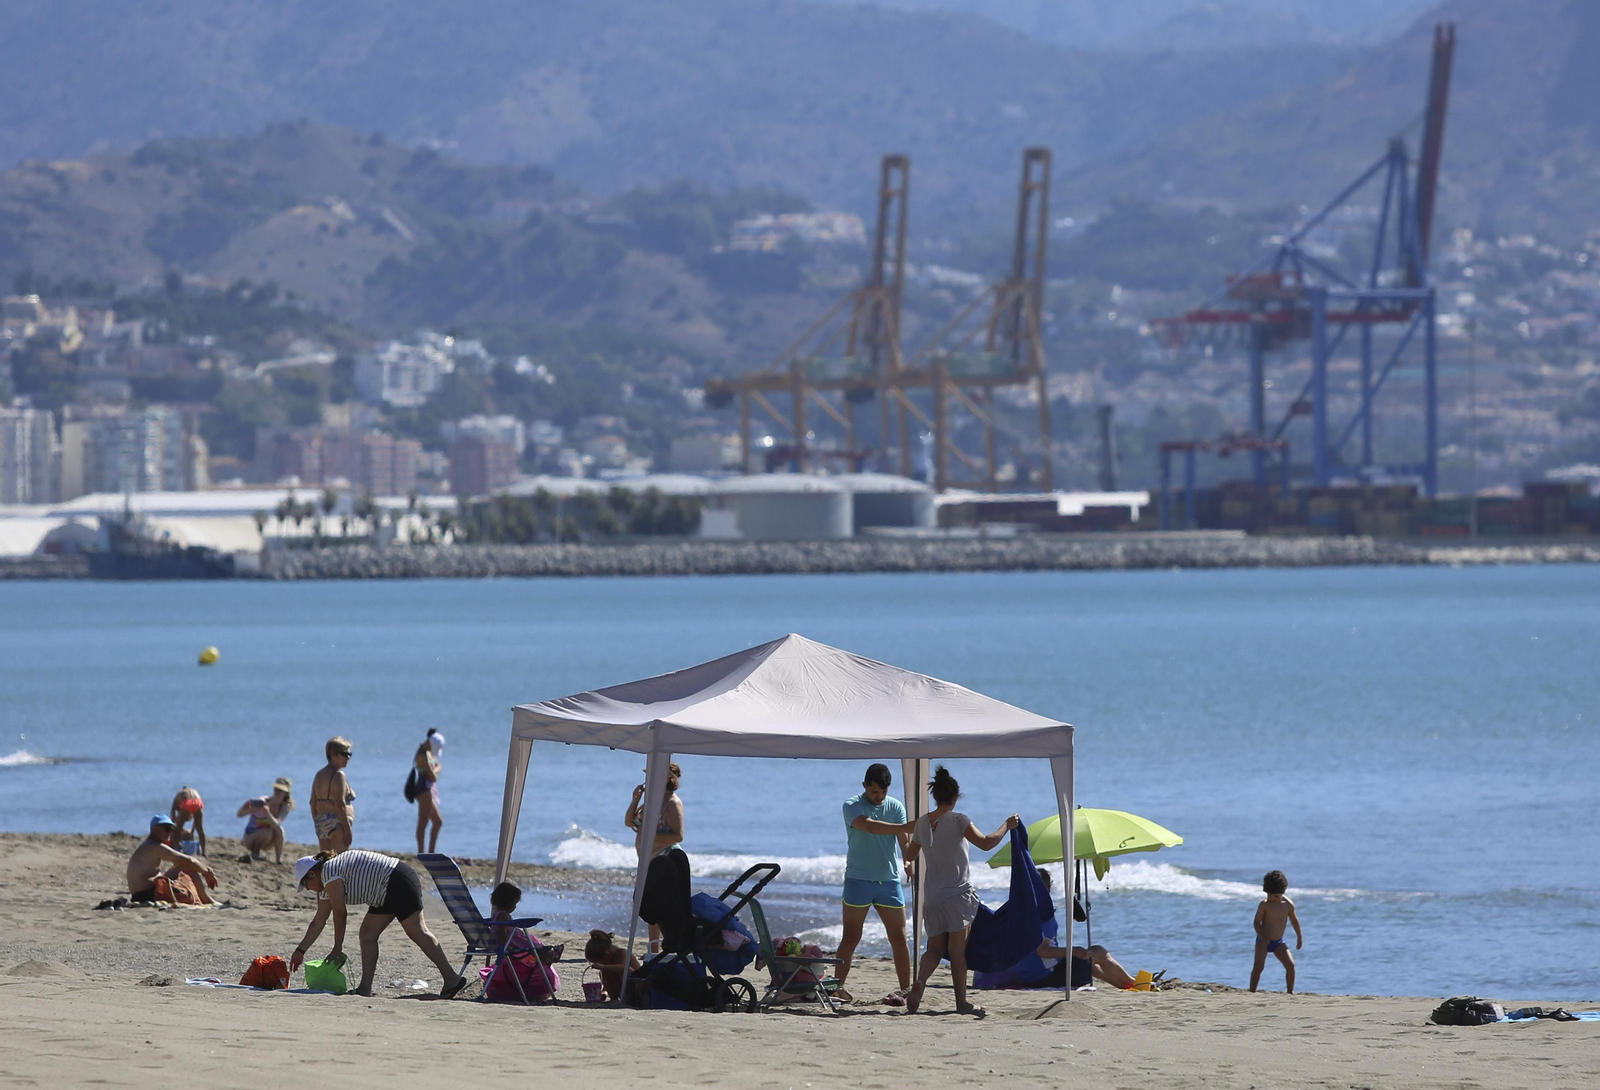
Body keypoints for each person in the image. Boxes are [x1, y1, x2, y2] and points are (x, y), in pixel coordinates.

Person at [899, 766, 1018, 1016]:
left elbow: (910, 855)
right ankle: (961, 1003)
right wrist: (1006, 826)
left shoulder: (923, 823)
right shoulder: (959, 820)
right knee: (956, 952)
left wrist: (914, 835)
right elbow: (986, 843)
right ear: (955, 797)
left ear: (935, 796)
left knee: (934, 950)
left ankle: (919, 982)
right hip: (957, 895)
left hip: (932, 898)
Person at [290, 849, 466, 999]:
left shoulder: (329, 871)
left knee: (416, 930)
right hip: (382, 892)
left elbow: (340, 913)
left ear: (312, 874)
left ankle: (452, 978)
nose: (308, 889)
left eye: (306, 884)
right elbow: (319, 920)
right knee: (367, 934)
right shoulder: (325, 887)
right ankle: (365, 988)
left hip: (397, 879)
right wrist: (300, 951)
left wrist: (337, 947)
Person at [974, 869, 1138, 991]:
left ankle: (1128, 986)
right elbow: (1043, 951)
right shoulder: (1042, 914)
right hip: (1046, 976)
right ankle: (1134, 982)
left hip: (1028, 975)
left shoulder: (1016, 910)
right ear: (1047, 887)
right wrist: (1074, 951)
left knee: (1089, 964)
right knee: (1098, 952)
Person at [835, 762, 914, 1005]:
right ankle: (837, 987)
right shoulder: (852, 805)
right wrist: (904, 826)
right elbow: (869, 826)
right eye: (874, 792)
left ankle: (906, 989)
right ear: (864, 786)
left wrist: (909, 860)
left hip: (888, 880)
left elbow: (904, 841)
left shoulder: (896, 806)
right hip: (858, 879)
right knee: (851, 936)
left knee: (899, 937)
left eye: (883, 792)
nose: (879, 797)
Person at [624, 761, 685, 953]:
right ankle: (655, 948)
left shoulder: (672, 802)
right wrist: (635, 800)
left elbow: (678, 835)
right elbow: (629, 822)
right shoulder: (651, 800)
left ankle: (662, 948)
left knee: (660, 905)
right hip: (648, 859)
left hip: (665, 858)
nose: (648, 778)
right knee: (651, 905)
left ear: (666, 778)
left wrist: (649, 834)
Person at [485, 881, 560, 1001]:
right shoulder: (503, 915)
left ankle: (548, 955)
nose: (515, 907)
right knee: (534, 948)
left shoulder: (496, 914)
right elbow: (502, 933)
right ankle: (549, 956)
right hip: (512, 942)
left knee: (534, 947)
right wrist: (506, 946)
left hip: (511, 941)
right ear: (509, 903)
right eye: (515, 903)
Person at [127, 814, 218, 905]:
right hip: (145, 894)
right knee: (186, 865)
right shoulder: (154, 846)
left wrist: (204, 870)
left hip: (144, 892)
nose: (170, 833)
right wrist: (207, 872)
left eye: (172, 829)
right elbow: (189, 860)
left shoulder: (150, 844)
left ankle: (206, 899)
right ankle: (208, 900)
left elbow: (181, 861)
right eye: (167, 829)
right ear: (155, 830)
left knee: (183, 866)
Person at [1250, 869, 1302, 993]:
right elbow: (1256, 922)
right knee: (1258, 967)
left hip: (1278, 942)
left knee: (1290, 966)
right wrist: (1262, 937)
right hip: (1263, 941)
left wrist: (1299, 936)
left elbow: (1294, 920)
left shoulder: (1288, 905)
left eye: (1276, 896)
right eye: (1269, 896)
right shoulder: (1264, 905)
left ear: (1283, 892)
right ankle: (1252, 991)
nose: (1272, 899)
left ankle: (1290, 992)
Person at [311, 736, 356, 854]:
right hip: (336, 822)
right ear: (333, 754)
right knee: (341, 860)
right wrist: (347, 829)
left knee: (326, 860)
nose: (348, 758)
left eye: (349, 754)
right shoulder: (338, 775)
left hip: (321, 820)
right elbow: (340, 804)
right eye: (344, 754)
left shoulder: (319, 775)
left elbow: (312, 802)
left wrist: (318, 822)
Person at [236, 778, 294, 863]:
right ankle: (255, 853)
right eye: (276, 789)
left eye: (280, 790)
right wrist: (246, 807)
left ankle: (278, 858)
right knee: (267, 832)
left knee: (279, 830)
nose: (277, 792)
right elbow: (239, 814)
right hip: (251, 836)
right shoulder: (265, 800)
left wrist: (267, 813)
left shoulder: (284, 807)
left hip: (268, 840)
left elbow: (277, 823)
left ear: (286, 793)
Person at [583, 929, 640, 1002]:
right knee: (604, 972)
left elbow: (627, 970)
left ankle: (622, 998)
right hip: (622, 991)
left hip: (637, 989)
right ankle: (613, 998)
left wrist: (603, 967)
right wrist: (604, 992)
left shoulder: (621, 953)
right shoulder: (608, 961)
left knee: (606, 970)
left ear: (607, 953)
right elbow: (609, 980)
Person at [412, 729, 444, 854]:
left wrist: (434, 769)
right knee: (423, 821)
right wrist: (435, 770)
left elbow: (439, 766)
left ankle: (431, 852)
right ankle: (422, 851)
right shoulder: (422, 755)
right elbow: (433, 776)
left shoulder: (428, 751)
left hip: (428, 789)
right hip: (423, 790)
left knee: (437, 822)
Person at [169, 787, 206, 856]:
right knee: (200, 830)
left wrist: (174, 824)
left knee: (177, 830)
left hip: (187, 803)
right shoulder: (195, 792)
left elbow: (173, 811)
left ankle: (176, 849)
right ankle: (203, 852)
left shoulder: (179, 794)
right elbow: (196, 820)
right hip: (198, 803)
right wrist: (192, 831)